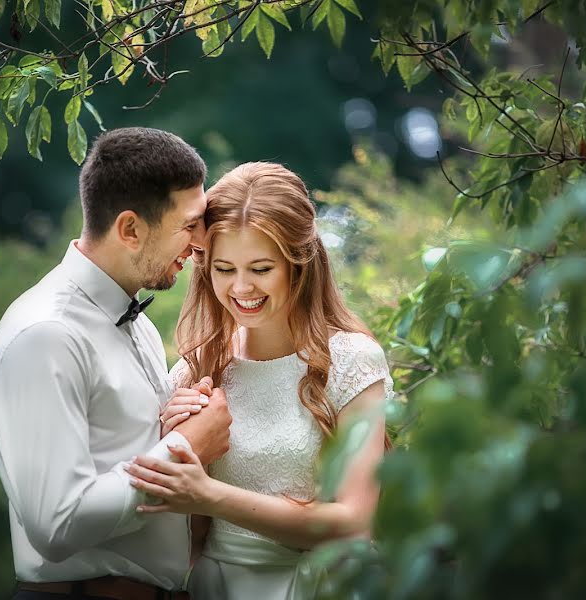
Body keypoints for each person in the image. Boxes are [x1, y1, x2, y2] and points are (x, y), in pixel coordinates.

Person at [0, 127, 232, 599]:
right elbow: (57, 526)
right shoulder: (46, 335)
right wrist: (181, 445)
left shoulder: (135, 324)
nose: (201, 244)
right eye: (189, 225)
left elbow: (122, 456)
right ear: (131, 229)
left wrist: (175, 424)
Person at [124, 162, 393, 599]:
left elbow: (354, 522)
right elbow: (181, 532)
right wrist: (173, 438)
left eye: (261, 268)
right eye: (224, 269)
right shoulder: (197, 370)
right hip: (218, 586)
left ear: (298, 263)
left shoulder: (352, 362)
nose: (241, 288)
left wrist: (209, 495)